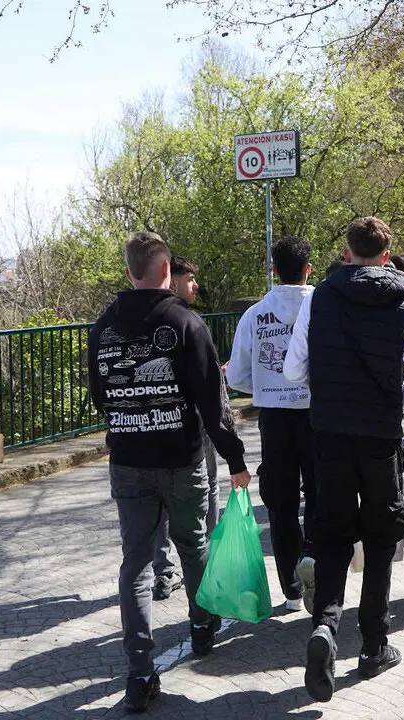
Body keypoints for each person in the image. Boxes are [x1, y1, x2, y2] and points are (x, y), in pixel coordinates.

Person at [87, 232, 251, 712]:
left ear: (129, 272)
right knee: (193, 545)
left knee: (135, 565)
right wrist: (235, 460)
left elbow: (99, 394)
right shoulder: (186, 323)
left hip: (128, 460)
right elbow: (212, 404)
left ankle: (139, 673)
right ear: (166, 271)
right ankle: (201, 625)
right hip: (181, 458)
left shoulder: (102, 328)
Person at [283, 216, 404, 701]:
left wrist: (327, 392)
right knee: (382, 534)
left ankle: (325, 626)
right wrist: (393, 406)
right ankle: (373, 643)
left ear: (346, 253)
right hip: (380, 435)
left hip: (329, 431)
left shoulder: (321, 297)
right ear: (386, 257)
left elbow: (293, 369)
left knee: (331, 533)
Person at [226, 236, 317, 615]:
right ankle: (315, 557)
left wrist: (267, 384)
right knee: (320, 493)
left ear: (275, 269)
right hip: (317, 414)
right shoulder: (323, 307)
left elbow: (236, 375)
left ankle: (292, 591)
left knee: (280, 504)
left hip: (274, 417)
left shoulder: (254, 315)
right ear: (309, 269)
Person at [150, 256, 220, 602]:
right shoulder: (189, 321)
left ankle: (166, 571)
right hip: (191, 425)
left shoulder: (146, 320)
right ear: (172, 279)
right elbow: (207, 381)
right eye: (190, 279)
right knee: (207, 487)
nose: (195, 286)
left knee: (160, 500)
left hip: (157, 427)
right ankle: (209, 563)